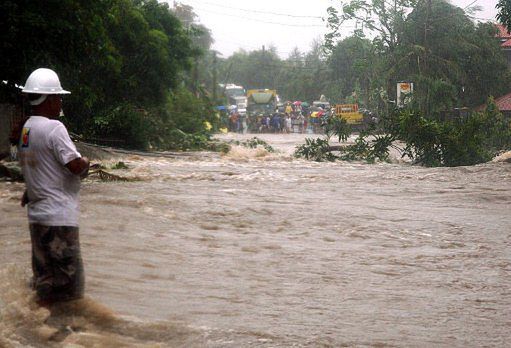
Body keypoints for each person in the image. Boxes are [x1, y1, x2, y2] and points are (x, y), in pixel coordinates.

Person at [18, 68, 90, 304]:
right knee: (70, 289)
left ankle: (40, 332)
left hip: (37, 220)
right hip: (59, 220)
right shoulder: (54, 128)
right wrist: (87, 162)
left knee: (45, 282)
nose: (60, 102)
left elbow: (38, 169)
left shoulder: (26, 129)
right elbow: (75, 166)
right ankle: (63, 336)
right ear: (47, 99)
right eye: (58, 97)